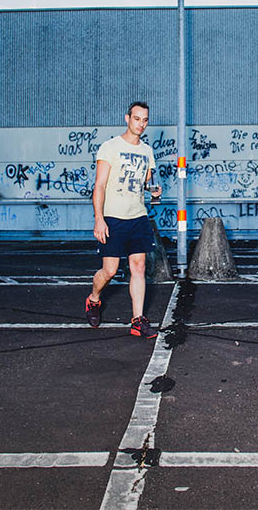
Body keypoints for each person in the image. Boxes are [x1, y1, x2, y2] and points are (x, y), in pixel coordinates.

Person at [86, 101, 162, 338]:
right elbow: (99, 185)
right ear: (127, 118)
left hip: (137, 216)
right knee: (109, 271)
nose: (141, 124)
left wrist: (154, 193)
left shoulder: (147, 152)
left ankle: (137, 321)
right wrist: (99, 219)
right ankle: (94, 299)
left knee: (138, 267)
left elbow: (146, 183)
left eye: (145, 120)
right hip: (113, 218)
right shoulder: (110, 147)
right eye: (137, 118)